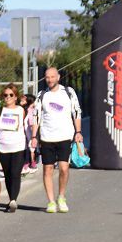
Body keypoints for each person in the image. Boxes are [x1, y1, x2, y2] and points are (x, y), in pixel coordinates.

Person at [30, 68, 82, 213]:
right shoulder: (41, 95)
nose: (50, 80)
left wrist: (78, 132)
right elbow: (36, 117)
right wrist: (34, 137)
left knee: (64, 168)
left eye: (53, 77)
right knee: (48, 169)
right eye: (47, 77)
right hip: (47, 137)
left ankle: (61, 196)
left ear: (58, 77)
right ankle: (51, 201)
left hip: (65, 136)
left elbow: (76, 112)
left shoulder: (68, 92)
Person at [0, 84, 26, 212]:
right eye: (5, 95)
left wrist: (33, 140)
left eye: (11, 95)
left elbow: (27, 126)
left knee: (15, 173)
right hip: (3, 148)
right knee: (8, 174)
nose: (8, 97)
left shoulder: (21, 110)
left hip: (19, 146)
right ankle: (11, 199)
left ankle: (14, 200)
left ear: (16, 97)